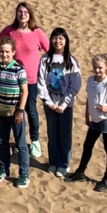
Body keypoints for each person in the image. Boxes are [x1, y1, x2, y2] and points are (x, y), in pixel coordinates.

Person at [0, 2, 49, 163]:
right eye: (19, 12)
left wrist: (43, 68)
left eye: (25, 12)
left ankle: (35, 140)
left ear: (30, 14)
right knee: (15, 110)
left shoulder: (37, 32)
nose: (22, 14)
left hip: (31, 79)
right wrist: (0, 65)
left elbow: (49, 51)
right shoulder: (10, 31)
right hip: (12, 79)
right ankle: (19, 140)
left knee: (30, 109)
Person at [67, 54, 107, 192]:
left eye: (100, 67)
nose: (97, 70)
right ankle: (80, 172)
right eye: (95, 67)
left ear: (106, 67)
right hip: (94, 120)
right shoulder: (90, 80)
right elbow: (90, 98)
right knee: (87, 145)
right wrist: (87, 115)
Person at [38, 27, 83, 178]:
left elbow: (75, 85)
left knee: (65, 134)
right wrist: (49, 103)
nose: (58, 41)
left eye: (61, 38)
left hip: (65, 105)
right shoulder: (45, 59)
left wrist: (64, 104)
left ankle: (64, 163)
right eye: (55, 38)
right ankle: (53, 162)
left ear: (66, 41)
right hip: (50, 104)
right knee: (52, 133)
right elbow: (41, 82)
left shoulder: (71, 61)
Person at [0, 36, 30, 188]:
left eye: (7, 52)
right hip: (1, 111)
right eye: (2, 52)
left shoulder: (19, 69)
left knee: (21, 144)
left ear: (13, 52)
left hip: (15, 113)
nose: (4, 55)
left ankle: (24, 174)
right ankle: (3, 169)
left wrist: (20, 110)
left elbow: (24, 91)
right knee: (2, 142)